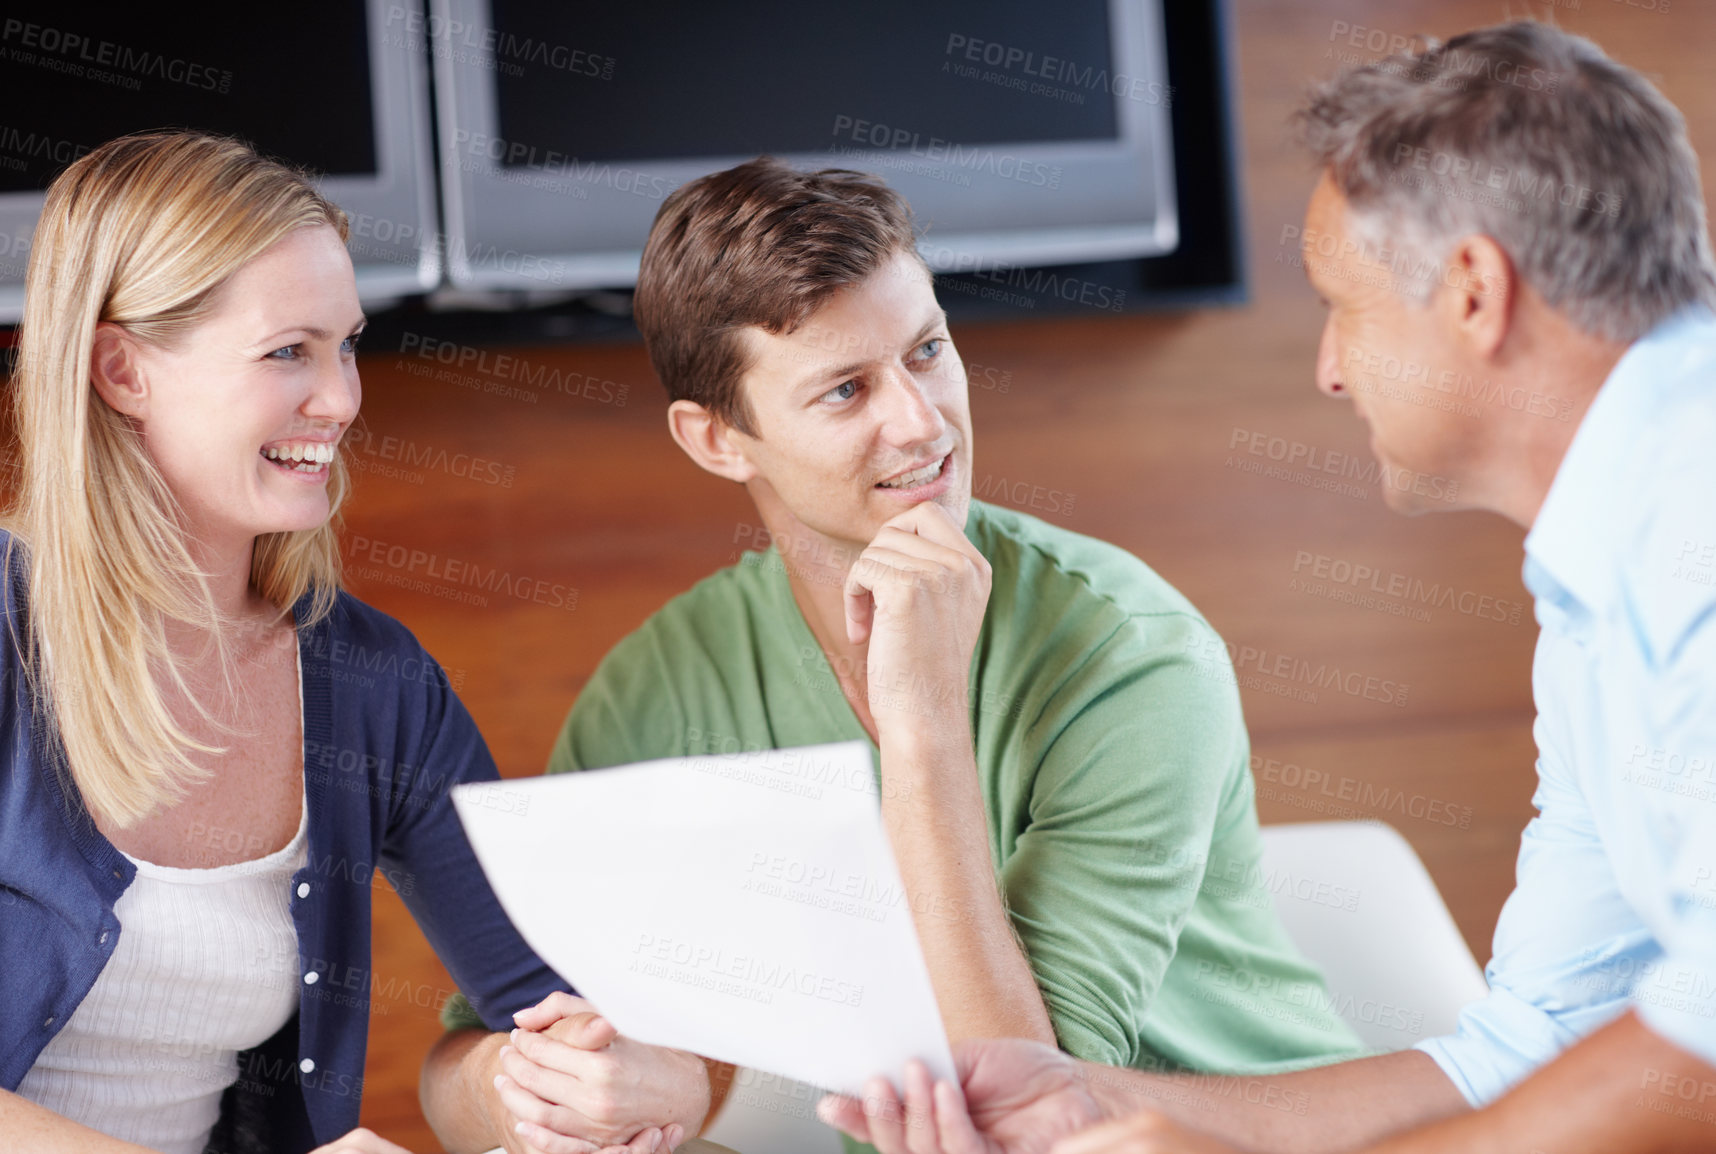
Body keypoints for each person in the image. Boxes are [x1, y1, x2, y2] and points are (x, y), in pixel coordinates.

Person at [817, 20, 1716, 1154]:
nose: (1328, 366)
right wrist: (1092, 1100)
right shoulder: (1593, 585)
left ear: (1475, 292)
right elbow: (1527, 1052)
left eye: (1343, 305)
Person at [425, 158, 1363, 1151]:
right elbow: (468, 1064)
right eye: (843, 390)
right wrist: (541, 1091)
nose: (921, 421)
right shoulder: (659, 689)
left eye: (927, 350)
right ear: (715, 440)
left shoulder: (1130, 652)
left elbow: (1019, 1109)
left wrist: (921, 723)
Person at [0, 130, 709, 1154]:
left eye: (348, 343)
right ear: (121, 370)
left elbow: (544, 1000)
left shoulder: (371, 680)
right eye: (289, 350)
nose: (343, 398)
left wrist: (599, 1083)